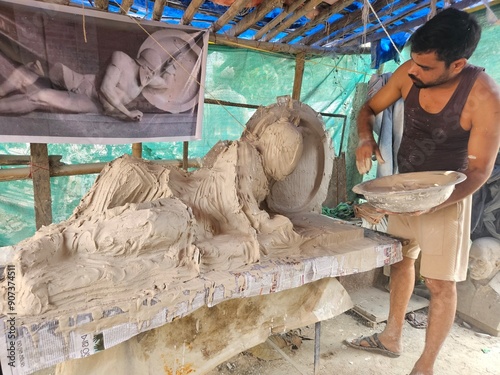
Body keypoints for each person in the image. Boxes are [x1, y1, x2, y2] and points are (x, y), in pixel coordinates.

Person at [347, 8, 500, 375]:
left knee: (440, 285)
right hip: (404, 187)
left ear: (458, 64)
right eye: (413, 62)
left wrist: (437, 203)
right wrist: (366, 138)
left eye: (425, 67)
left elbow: (480, 170)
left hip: (449, 198)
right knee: (401, 260)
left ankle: (425, 366)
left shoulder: (485, 97)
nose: (413, 71)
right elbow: (369, 108)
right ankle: (391, 337)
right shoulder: (409, 73)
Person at [0, 44, 168, 121]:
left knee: (39, 96)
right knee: (28, 70)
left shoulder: (149, 78)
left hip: (90, 103)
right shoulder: (122, 59)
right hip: (84, 84)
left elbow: (165, 84)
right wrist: (128, 112)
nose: (150, 75)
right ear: (140, 62)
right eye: (148, 70)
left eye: (153, 72)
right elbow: (106, 88)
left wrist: (172, 66)